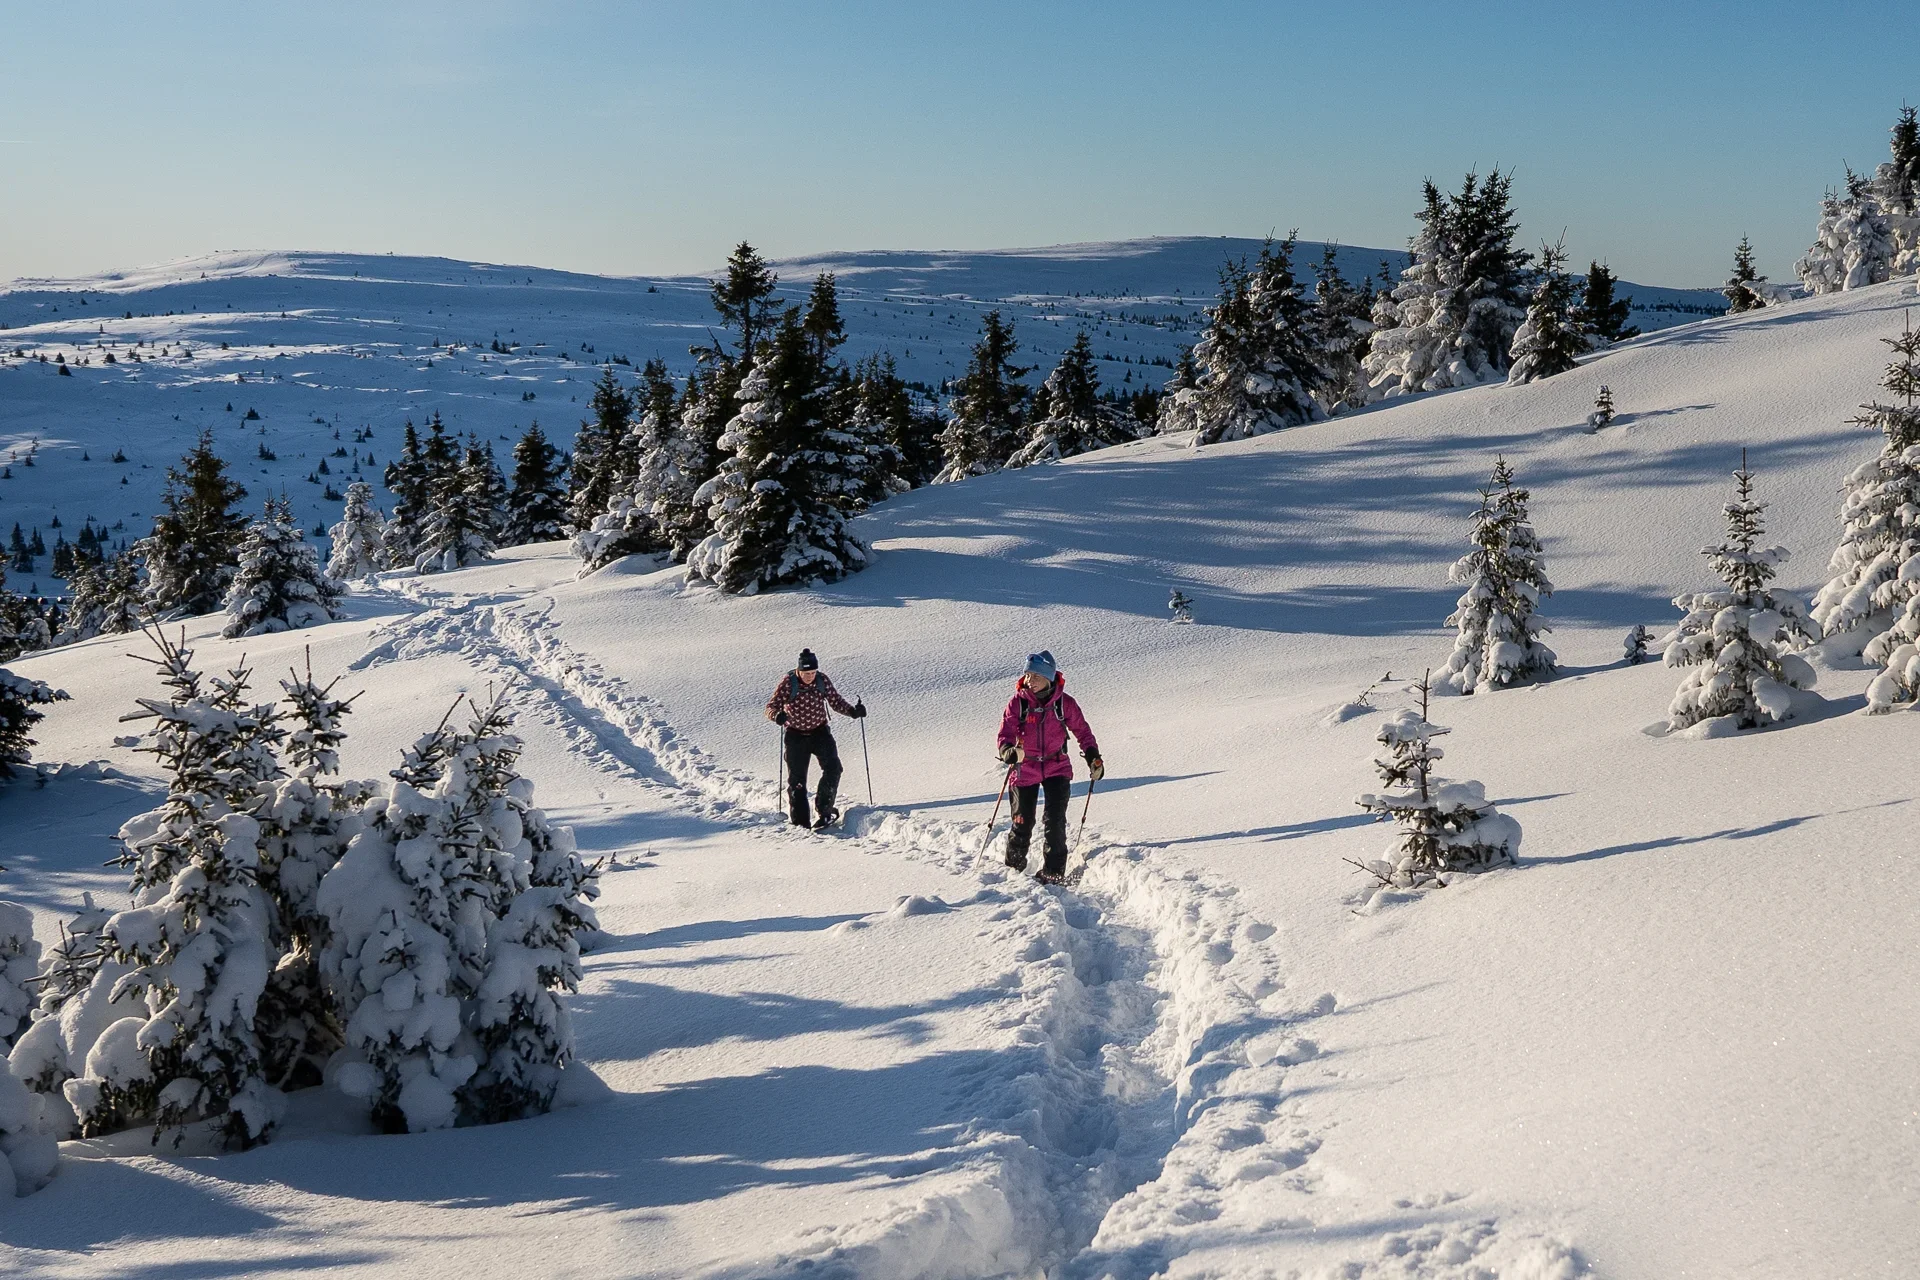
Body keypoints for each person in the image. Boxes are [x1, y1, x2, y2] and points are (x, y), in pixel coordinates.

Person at [996, 650, 1102, 883]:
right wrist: (1007, 751)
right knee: (1022, 823)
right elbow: (1005, 733)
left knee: (1055, 822)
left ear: (1049, 677)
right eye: (1027, 675)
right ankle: (1013, 871)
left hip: (1057, 766)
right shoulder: (1018, 703)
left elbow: (1082, 731)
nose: (1029, 680)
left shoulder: (1064, 704)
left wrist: (1093, 756)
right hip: (1025, 767)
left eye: (1035, 676)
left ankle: (1053, 873)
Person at [765, 648, 866, 829]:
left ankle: (824, 812)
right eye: (806, 673)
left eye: (812, 672)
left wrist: (853, 711)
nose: (810, 676)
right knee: (797, 783)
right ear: (799, 671)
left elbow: (835, 701)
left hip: (820, 733)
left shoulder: (822, 680)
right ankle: (801, 823)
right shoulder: (789, 682)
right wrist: (777, 715)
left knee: (834, 769)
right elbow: (771, 706)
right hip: (795, 736)